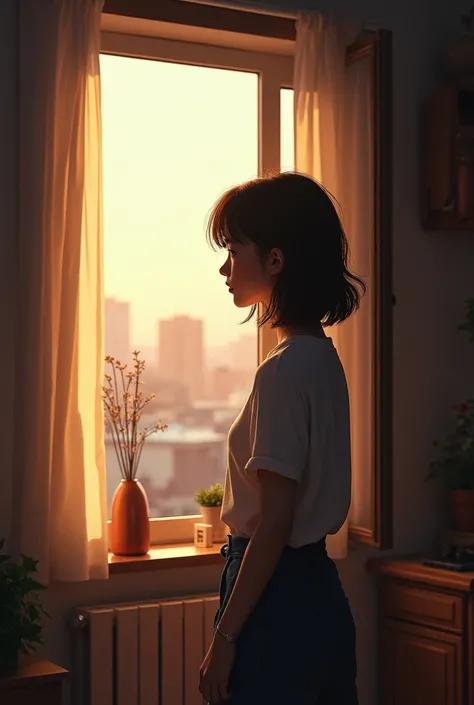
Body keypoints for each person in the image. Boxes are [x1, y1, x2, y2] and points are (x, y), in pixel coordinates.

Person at [199, 172, 364, 705]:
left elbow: (274, 523)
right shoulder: (323, 360)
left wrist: (224, 637)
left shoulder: (285, 370)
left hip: (277, 599)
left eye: (233, 250)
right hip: (316, 593)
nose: (225, 268)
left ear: (275, 259)